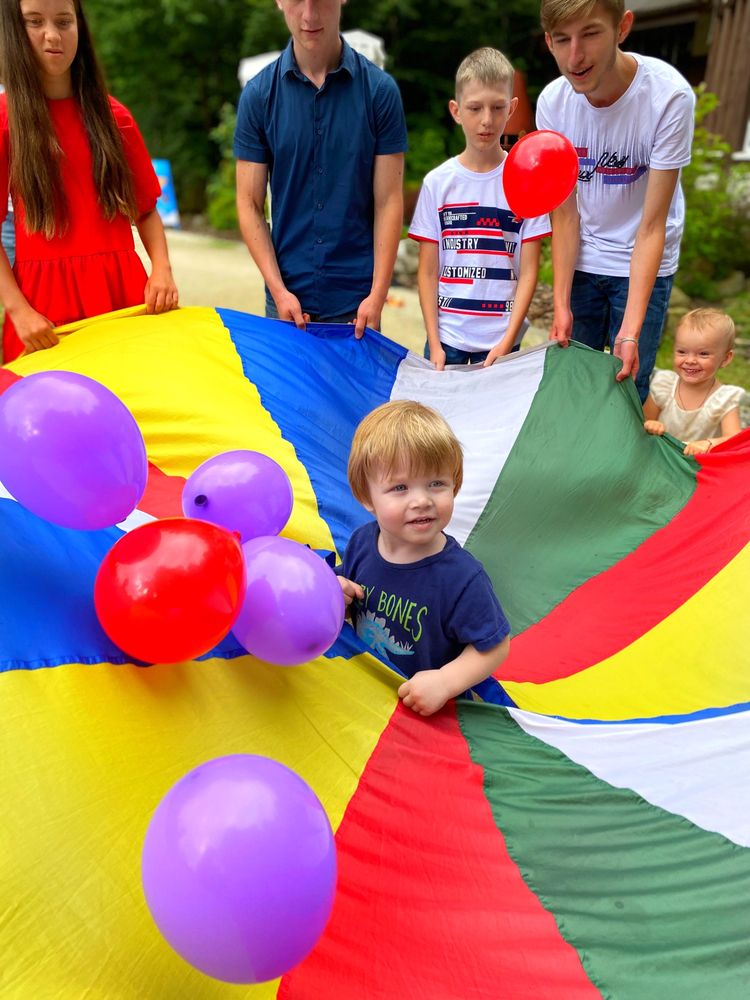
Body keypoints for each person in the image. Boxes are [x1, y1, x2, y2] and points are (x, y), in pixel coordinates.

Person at [0, 0, 178, 363]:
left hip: (121, 295)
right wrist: (18, 310)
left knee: (131, 409)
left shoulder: (115, 118)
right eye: (34, 22)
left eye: (64, 21)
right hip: (42, 311)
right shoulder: (6, 121)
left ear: (79, 27)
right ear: (14, 30)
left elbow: (144, 211)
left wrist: (162, 271)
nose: (52, 35)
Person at [536, 0, 695, 400]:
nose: (575, 56)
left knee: (628, 385)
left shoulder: (668, 98)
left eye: (590, 33)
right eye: (562, 39)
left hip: (642, 259)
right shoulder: (553, 104)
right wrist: (561, 304)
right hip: (583, 256)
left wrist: (630, 330)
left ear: (622, 27)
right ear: (548, 42)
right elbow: (565, 217)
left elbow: (652, 225)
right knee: (576, 383)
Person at [233, 0, 407, 337]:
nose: (309, 15)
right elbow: (249, 203)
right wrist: (279, 291)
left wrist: (377, 295)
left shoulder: (380, 93)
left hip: (358, 306)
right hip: (286, 302)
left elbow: (389, 201)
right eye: (298, 0)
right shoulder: (258, 96)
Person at [337, 400, 511, 717]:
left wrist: (446, 681)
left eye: (436, 484)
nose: (422, 500)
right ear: (366, 497)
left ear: (454, 485)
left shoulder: (462, 577)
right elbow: (347, 600)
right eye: (400, 487)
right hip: (370, 697)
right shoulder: (362, 541)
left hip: (434, 714)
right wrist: (337, 593)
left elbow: (495, 646)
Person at [409, 48, 550, 369]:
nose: (486, 120)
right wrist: (434, 341)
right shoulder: (437, 183)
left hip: (502, 341)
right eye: (475, 108)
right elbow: (428, 271)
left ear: (511, 108)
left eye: (497, 107)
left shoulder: (527, 181)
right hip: (448, 341)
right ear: (456, 111)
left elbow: (529, 271)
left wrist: (507, 340)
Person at [644, 308, 744, 456]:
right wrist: (651, 424)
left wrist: (708, 443)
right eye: (682, 352)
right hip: (662, 459)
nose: (690, 360)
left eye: (703, 354)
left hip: (700, 467)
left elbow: (735, 440)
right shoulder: (665, 385)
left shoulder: (724, 399)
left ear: (725, 358)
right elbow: (644, 419)